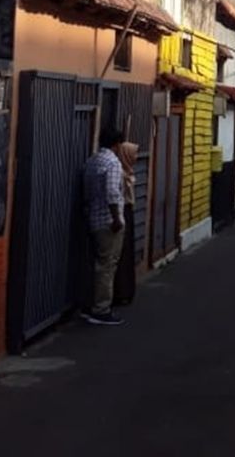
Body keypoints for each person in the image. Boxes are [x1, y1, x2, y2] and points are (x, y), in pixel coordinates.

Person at [81, 128, 126, 326]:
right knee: (107, 264)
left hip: (93, 217)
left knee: (95, 262)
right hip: (108, 221)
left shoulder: (92, 161)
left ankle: (88, 303)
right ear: (117, 144)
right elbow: (112, 191)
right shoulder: (113, 163)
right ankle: (101, 309)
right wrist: (116, 218)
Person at [113, 141, 139, 307]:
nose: (136, 157)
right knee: (120, 254)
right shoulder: (120, 174)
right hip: (121, 214)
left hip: (126, 213)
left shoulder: (127, 171)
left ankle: (125, 290)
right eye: (134, 153)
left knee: (126, 252)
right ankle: (120, 291)